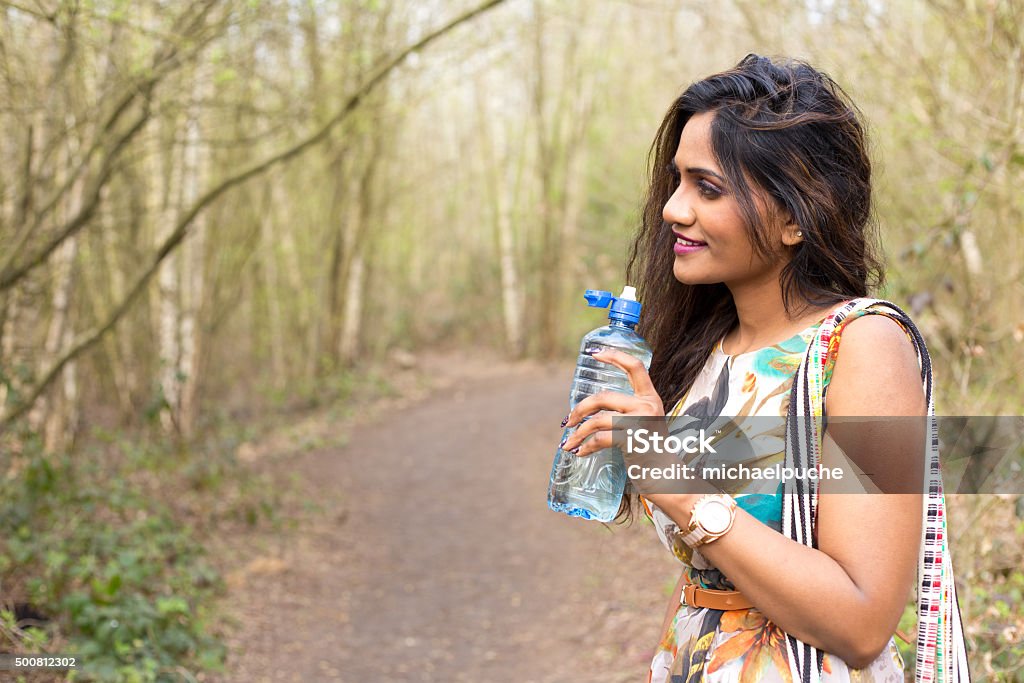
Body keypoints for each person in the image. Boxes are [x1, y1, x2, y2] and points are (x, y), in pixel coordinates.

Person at [557, 55, 968, 682]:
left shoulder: (864, 348)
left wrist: (674, 480)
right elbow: (710, 577)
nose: (672, 208)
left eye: (708, 187)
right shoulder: (710, 352)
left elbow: (862, 624)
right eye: (676, 182)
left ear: (797, 216)